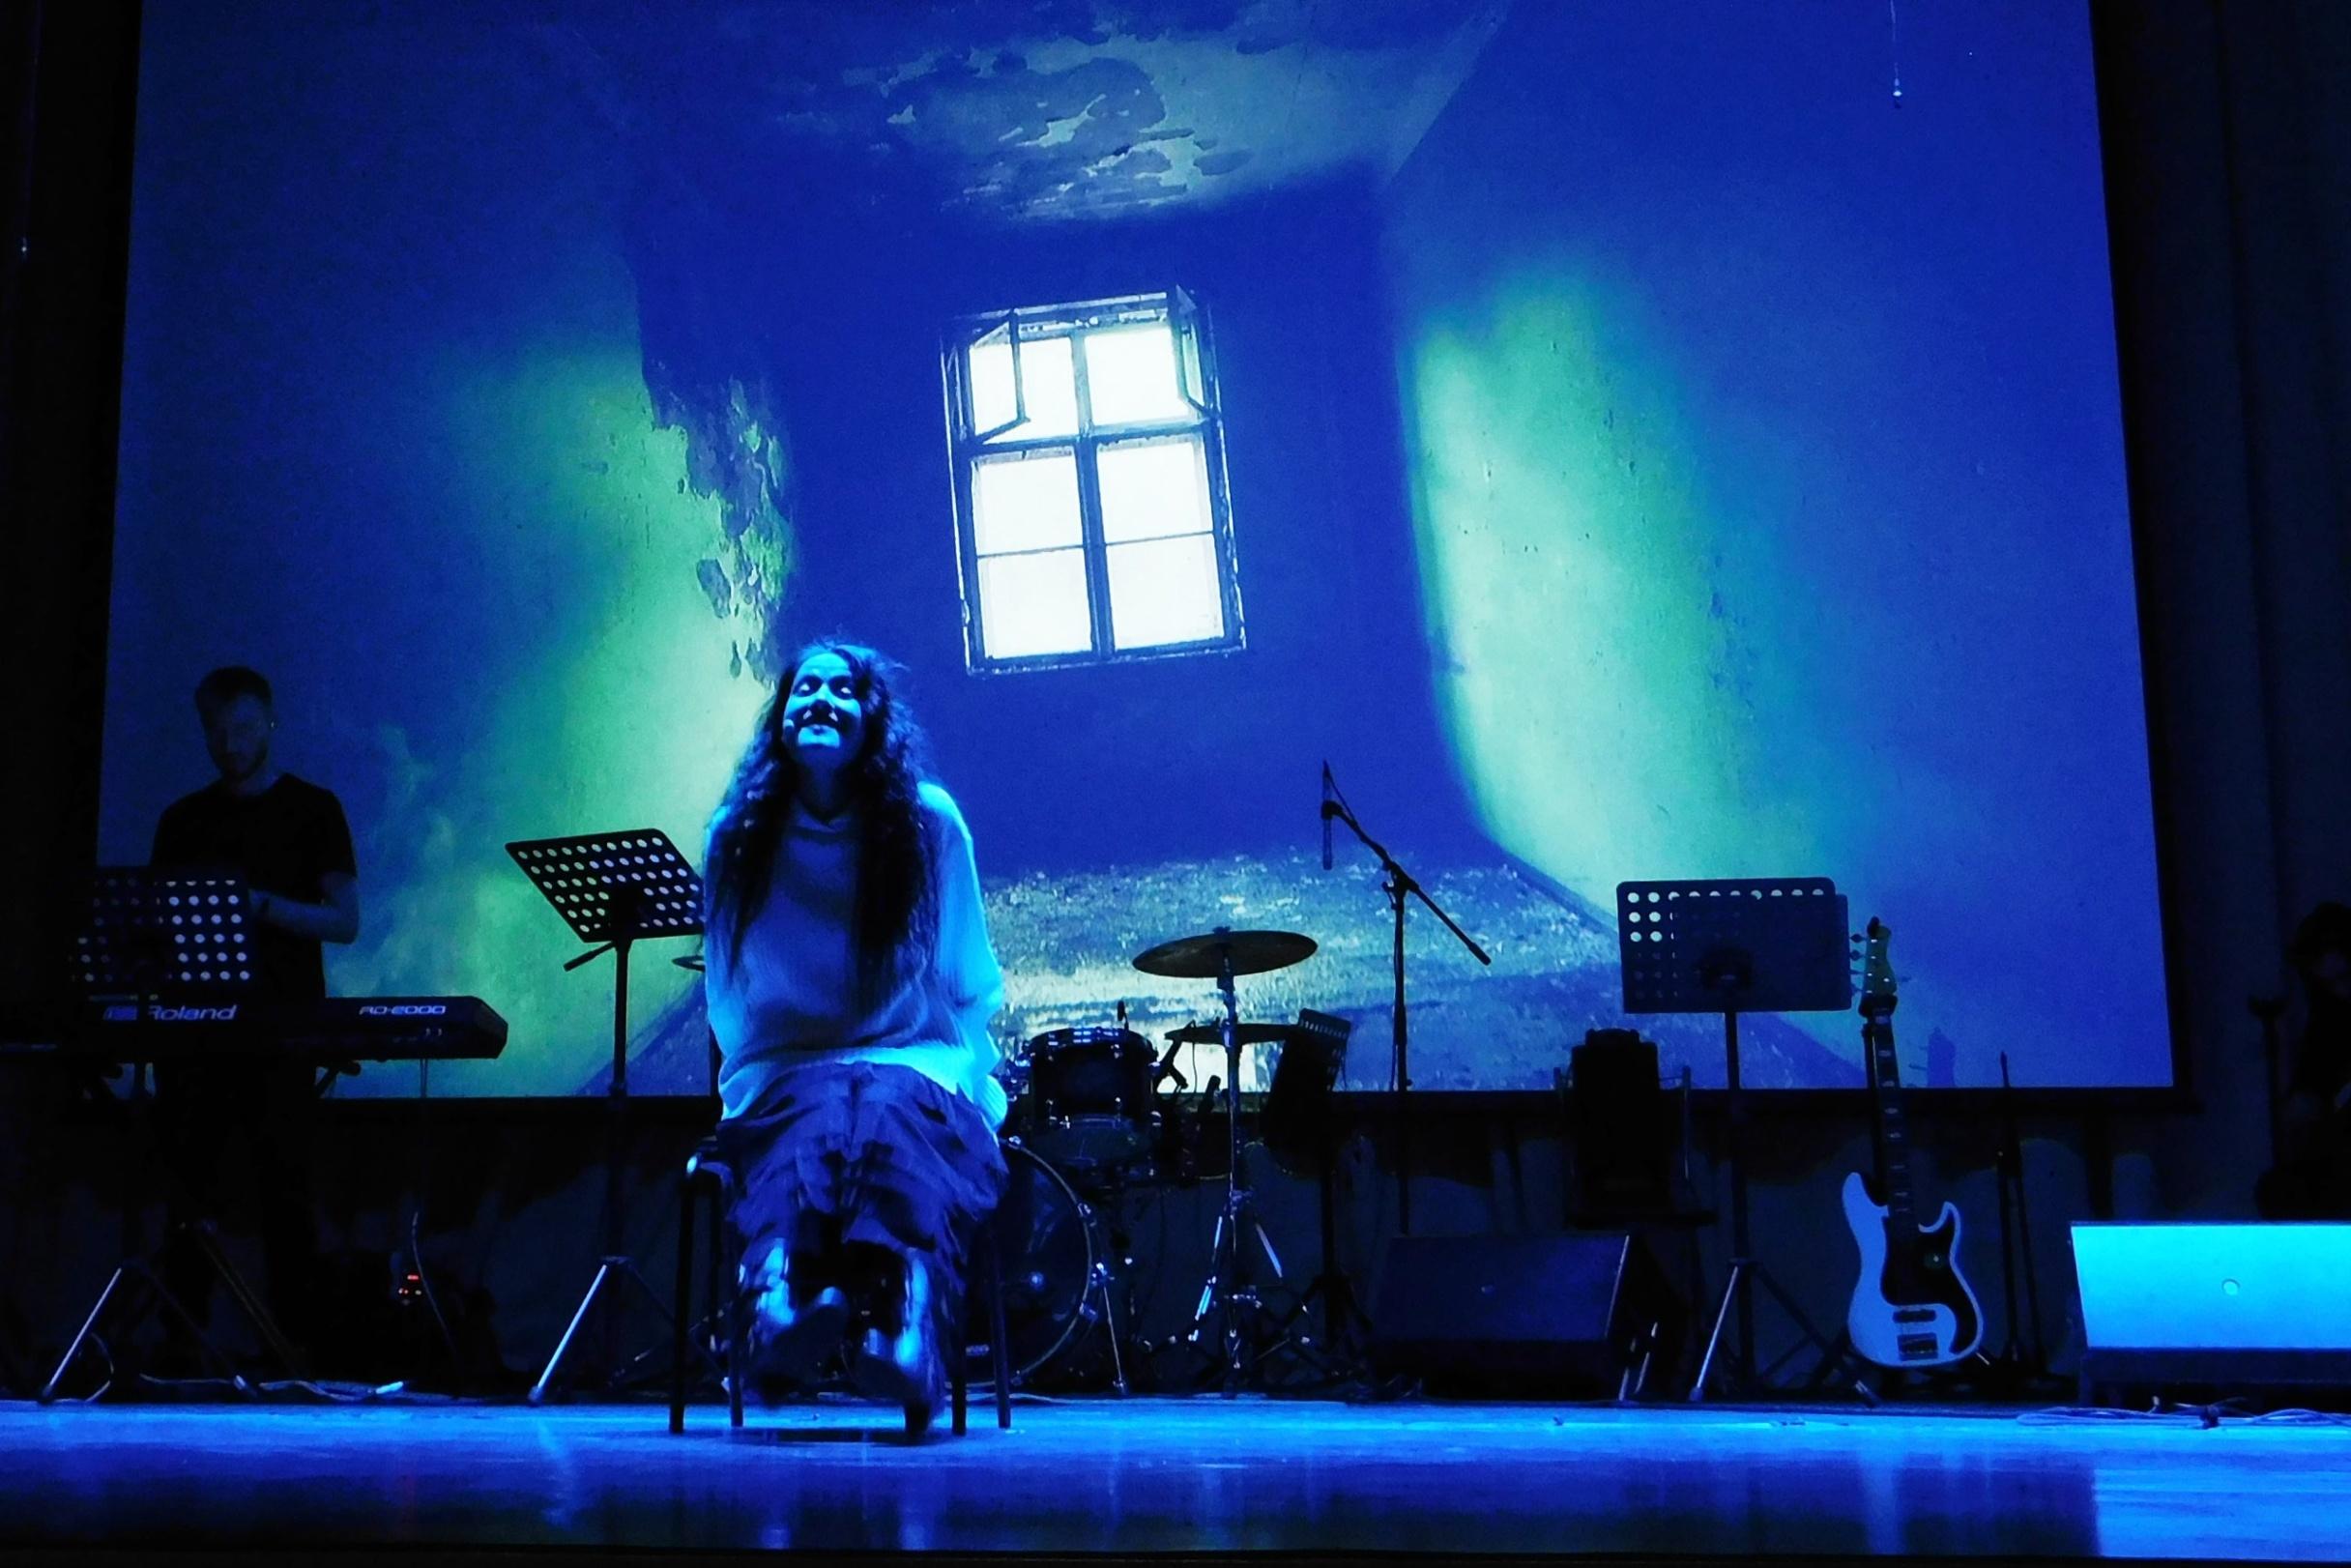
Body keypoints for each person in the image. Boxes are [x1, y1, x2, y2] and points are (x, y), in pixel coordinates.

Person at [702, 642, 1006, 1432]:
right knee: (817, 1109)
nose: (822, 700)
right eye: (805, 687)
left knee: (885, 1106)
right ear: (780, 718)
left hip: (913, 1060)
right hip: (788, 1069)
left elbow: (968, 977)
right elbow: (728, 997)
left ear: (872, 719)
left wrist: (967, 1078)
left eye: (843, 689)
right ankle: (781, 1306)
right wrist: (765, 1077)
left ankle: (901, 1321)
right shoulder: (737, 838)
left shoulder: (930, 825)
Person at [148, 666, 360, 1365]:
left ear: (269, 723)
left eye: (242, 729)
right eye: (216, 731)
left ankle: (297, 1350)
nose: (229, 744)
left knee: (285, 1192)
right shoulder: (182, 820)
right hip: (195, 1031)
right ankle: (178, 1346)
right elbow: (155, 926)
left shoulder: (313, 809)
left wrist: (260, 907)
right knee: (188, 1193)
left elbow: (344, 921)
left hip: (282, 1028)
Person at [2255, 901, 2351, 1219]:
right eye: (2329, 984)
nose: (2341, 991)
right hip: (2339, 1149)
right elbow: (2309, 1089)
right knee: (2278, 1190)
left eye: (2345, 978)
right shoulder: (2328, 1019)